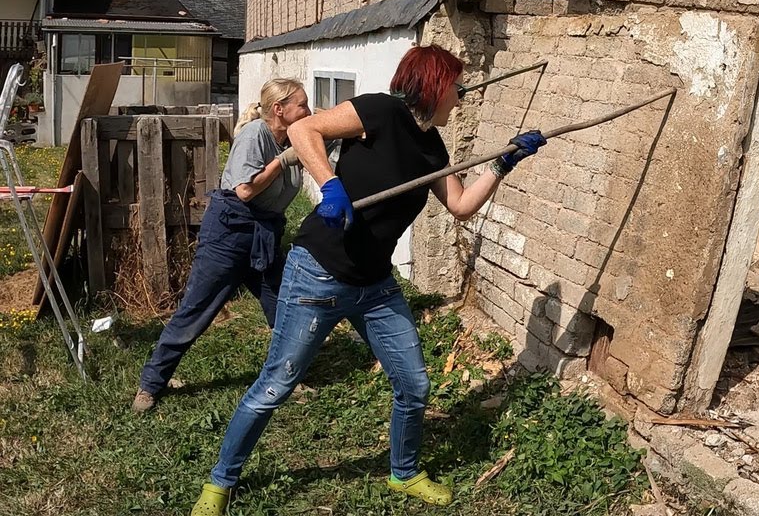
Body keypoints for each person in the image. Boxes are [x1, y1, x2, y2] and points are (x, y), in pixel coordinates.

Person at [189, 45, 546, 515]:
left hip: (375, 284)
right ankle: (220, 482)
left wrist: (503, 164)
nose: (459, 97)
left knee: (414, 383)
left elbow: (460, 207)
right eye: (455, 86)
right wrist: (331, 185)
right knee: (277, 384)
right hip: (317, 271)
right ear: (435, 85)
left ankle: (404, 472)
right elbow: (301, 128)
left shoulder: (432, 148)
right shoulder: (378, 109)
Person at [133, 79, 311, 413]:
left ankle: (286, 376)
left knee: (285, 307)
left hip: (265, 233)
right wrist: (281, 162)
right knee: (197, 310)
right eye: (302, 105)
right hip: (231, 231)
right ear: (279, 110)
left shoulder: (293, 136)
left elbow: (328, 140)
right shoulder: (256, 135)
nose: (308, 110)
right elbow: (244, 191)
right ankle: (151, 385)